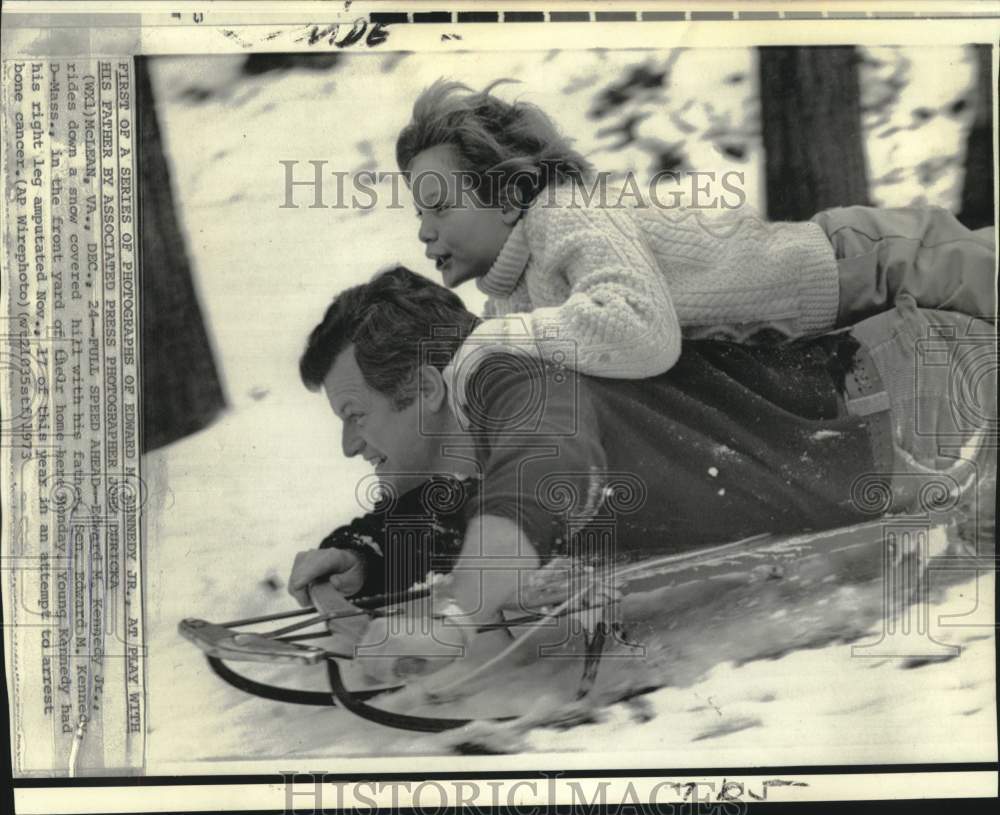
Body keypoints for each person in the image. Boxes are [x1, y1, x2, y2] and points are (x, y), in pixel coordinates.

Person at [289, 266, 996, 679]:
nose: (352, 445)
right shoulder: (477, 424)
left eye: (356, 413)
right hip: (883, 413)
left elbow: (545, 475)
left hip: (917, 387)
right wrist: (367, 554)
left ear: (423, 386)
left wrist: (453, 615)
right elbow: (462, 506)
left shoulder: (517, 380)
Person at [395, 79, 995, 386]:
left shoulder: (563, 215)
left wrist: (502, 337)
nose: (425, 233)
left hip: (860, 261)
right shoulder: (512, 292)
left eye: (439, 208)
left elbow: (642, 335)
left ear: (509, 196)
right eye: (418, 215)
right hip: (833, 307)